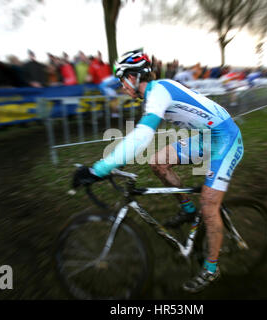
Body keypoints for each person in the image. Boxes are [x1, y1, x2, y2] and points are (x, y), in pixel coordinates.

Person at [73, 49, 244, 293]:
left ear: (133, 77)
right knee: (157, 162)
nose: (121, 86)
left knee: (209, 203)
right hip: (206, 136)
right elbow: (138, 137)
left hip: (226, 138)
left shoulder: (158, 92)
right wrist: (112, 162)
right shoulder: (154, 93)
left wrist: (99, 169)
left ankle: (211, 268)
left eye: (122, 80)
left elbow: (142, 135)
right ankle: (187, 209)